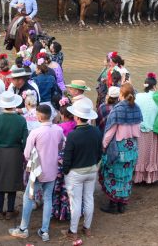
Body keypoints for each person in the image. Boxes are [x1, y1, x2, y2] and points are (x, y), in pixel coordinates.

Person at [9, 105, 65, 242]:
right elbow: (62, 145)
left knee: (28, 197)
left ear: (39, 116)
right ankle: (44, 231)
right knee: (48, 199)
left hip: (37, 171)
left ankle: (23, 229)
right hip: (52, 169)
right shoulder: (58, 130)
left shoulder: (35, 132)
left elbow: (27, 154)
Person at [61, 103, 102, 241]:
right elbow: (99, 152)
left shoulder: (73, 135)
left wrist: (66, 171)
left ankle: (73, 231)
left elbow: (67, 157)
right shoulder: (96, 131)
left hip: (76, 173)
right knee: (89, 198)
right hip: (91, 170)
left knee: (76, 202)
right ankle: (87, 228)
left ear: (77, 117)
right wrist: (94, 164)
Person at [99, 83, 142, 213]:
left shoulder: (117, 109)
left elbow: (110, 132)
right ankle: (122, 205)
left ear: (121, 95)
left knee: (113, 174)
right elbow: (138, 130)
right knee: (126, 176)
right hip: (132, 147)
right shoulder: (137, 108)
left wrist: (104, 145)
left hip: (118, 148)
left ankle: (113, 204)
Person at [0, 91, 28, 220]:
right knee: (13, 180)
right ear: (15, 105)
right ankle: (10, 210)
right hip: (15, 152)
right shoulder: (21, 120)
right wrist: (21, 150)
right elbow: (25, 140)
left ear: (2, 105)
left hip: (0, 152)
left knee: (0, 180)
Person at [133, 73, 158, 184]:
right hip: (153, 130)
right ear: (154, 86)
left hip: (139, 129)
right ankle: (149, 178)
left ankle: (138, 178)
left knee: (140, 154)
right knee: (151, 155)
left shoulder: (138, 96)